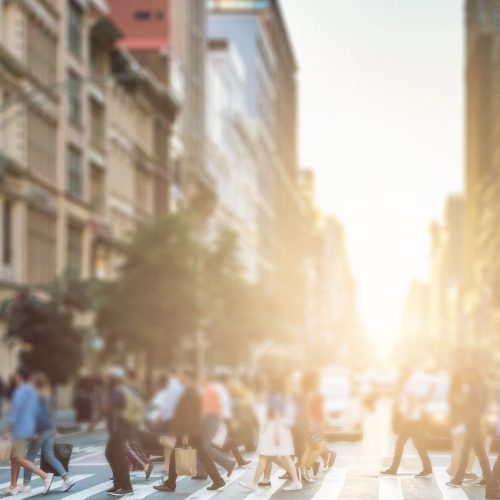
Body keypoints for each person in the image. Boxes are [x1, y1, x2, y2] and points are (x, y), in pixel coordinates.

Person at [153, 367, 226, 493]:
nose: (179, 377)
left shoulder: (191, 391)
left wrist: (186, 434)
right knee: (201, 455)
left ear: (187, 376)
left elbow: (189, 414)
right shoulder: (192, 390)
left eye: (181, 375)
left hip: (189, 431)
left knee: (193, 455)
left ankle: (170, 483)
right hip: (193, 430)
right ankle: (217, 480)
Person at [239, 375, 302, 492]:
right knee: (279, 456)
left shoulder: (275, 396)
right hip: (280, 428)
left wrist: (276, 434)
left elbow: (277, 415)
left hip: (275, 429)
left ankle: (254, 483)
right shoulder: (283, 395)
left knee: (266, 455)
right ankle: (296, 481)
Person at [3, 368, 54, 496]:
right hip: (29, 427)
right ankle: (13, 486)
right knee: (14, 457)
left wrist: (10, 429)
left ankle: (45, 476)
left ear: (19, 376)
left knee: (18, 457)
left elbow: (17, 412)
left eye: (15, 374)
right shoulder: (31, 391)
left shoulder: (20, 391)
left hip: (20, 428)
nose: (13, 376)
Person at [23, 372, 75, 492]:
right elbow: (50, 415)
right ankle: (67, 479)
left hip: (39, 431)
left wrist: (34, 431)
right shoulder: (45, 397)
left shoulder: (35, 397)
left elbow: (38, 416)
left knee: (29, 457)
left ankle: (25, 486)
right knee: (49, 455)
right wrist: (54, 429)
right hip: (49, 430)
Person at [380, 368, 433, 478]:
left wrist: (406, 415)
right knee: (418, 445)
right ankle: (427, 468)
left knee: (400, 444)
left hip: (410, 420)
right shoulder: (409, 385)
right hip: (413, 419)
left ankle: (394, 469)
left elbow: (412, 401)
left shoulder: (408, 386)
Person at [447, 367, 491, 488]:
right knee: (480, 451)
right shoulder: (478, 386)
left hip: (474, 422)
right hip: (473, 422)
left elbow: (479, 407)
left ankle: (457, 479)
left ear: (473, 375)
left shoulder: (477, 387)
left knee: (465, 450)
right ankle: (488, 477)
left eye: (468, 375)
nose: (467, 377)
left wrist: (481, 425)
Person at [193, 376, 236, 480]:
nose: (199, 381)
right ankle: (201, 472)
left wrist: (198, 421)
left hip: (211, 420)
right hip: (213, 419)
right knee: (200, 445)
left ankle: (228, 463)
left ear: (205, 380)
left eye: (200, 379)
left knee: (205, 446)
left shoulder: (208, 391)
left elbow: (206, 410)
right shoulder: (210, 390)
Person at [103, 366, 134, 497]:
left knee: (119, 457)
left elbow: (114, 407)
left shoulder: (118, 391)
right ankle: (118, 484)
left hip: (120, 429)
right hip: (116, 428)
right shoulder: (114, 390)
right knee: (110, 454)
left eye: (109, 377)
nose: (106, 379)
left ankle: (126, 487)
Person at [215, 375, 251, 468]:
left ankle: (237, 460)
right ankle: (236, 460)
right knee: (223, 440)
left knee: (229, 440)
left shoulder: (225, 392)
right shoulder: (220, 392)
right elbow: (219, 407)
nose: (232, 384)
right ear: (226, 382)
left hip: (226, 419)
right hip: (222, 419)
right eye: (230, 382)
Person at [124, 369, 153, 480]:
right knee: (131, 444)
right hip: (132, 419)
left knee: (129, 445)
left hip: (130, 420)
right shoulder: (135, 389)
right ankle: (127, 469)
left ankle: (145, 463)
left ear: (130, 378)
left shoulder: (133, 389)